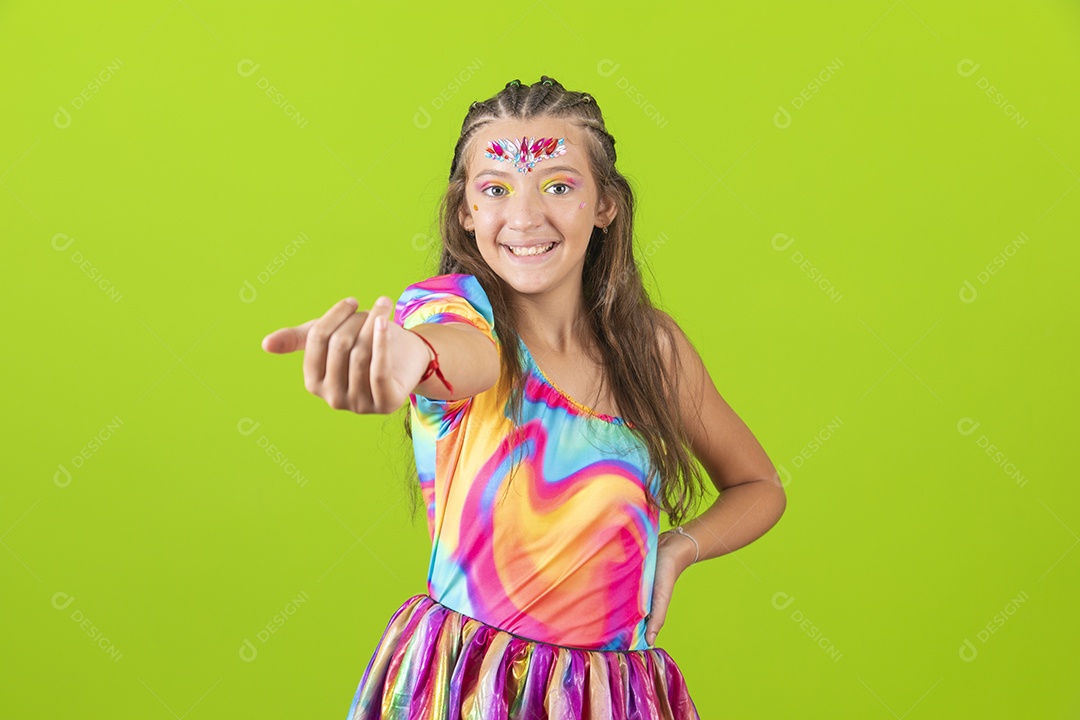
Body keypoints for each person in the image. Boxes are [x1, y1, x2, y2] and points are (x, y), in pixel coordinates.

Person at [261, 76, 786, 719]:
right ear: (466, 212)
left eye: (559, 186)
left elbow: (759, 485)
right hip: (471, 689)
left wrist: (678, 548)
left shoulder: (653, 349)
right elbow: (446, 354)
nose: (526, 216)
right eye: (496, 190)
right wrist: (392, 358)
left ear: (605, 205)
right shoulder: (458, 311)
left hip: (613, 697)